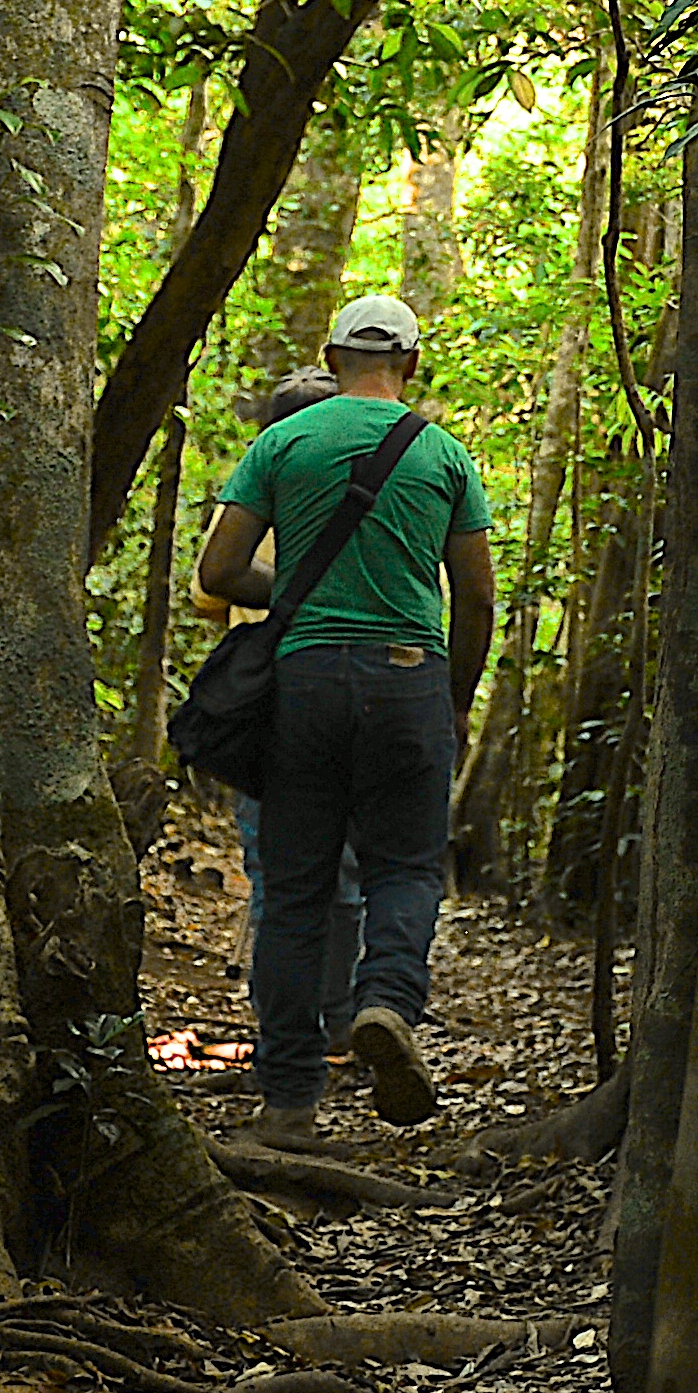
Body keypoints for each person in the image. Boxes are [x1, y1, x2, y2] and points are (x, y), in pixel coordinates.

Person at [196, 294, 497, 1139]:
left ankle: (289, 1102)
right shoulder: (443, 453)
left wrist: (294, 594)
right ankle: (389, 1004)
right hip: (410, 680)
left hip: (304, 685)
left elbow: (220, 570)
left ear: (330, 360)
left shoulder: (284, 441)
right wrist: (456, 700)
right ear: (411, 364)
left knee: (294, 893)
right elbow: (475, 596)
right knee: (403, 868)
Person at [216, 368, 363, 1062]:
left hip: (266, 702)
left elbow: (205, 591)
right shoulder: (366, 499)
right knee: (344, 868)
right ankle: (335, 1019)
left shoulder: (253, 496)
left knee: (276, 873)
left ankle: (284, 1031)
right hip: (351, 696)